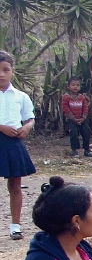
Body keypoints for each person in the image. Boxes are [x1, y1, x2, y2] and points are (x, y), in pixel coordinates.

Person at [0, 51, 35, 240]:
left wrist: (27, 127)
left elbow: (29, 117)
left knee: (15, 184)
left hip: (13, 142)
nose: (1, 74)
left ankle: (15, 225)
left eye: (6, 70)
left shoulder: (20, 96)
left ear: (12, 71)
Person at [60, 76, 92, 158]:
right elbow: (65, 108)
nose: (75, 87)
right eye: (73, 85)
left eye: (77, 85)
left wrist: (83, 118)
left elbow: (85, 107)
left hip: (82, 119)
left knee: (86, 132)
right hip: (71, 120)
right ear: (68, 86)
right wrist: (73, 118)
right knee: (73, 134)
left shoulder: (82, 97)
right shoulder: (65, 97)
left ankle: (87, 149)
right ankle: (75, 151)